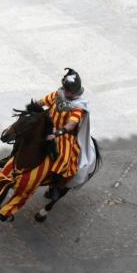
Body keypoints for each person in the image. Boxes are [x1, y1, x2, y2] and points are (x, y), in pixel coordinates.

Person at [40, 68, 95, 201]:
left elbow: (71, 124)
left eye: (68, 91)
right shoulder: (57, 94)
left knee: (64, 159)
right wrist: (30, 107)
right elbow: (42, 102)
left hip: (63, 135)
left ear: (74, 92)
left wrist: (57, 133)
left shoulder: (78, 107)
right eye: (64, 89)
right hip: (47, 125)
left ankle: (55, 186)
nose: (65, 92)